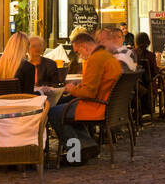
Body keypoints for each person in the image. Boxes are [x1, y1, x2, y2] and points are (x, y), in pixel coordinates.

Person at [46, 31, 121, 165]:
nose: (79, 56)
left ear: (84, 47)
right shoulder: (107, 57)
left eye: (78, 52)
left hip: (95, 106)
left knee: (54, 112)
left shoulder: (95, 60)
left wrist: (72, 89)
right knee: (63, 105)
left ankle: (75, 155)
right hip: (107, 104)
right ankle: (86, 145)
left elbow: (89, 92)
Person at [132, 31, 158, 120]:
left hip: (134, 86)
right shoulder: (150, 55)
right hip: (149, 86)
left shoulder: (131, 53)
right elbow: (155, 73)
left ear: (136, 42)